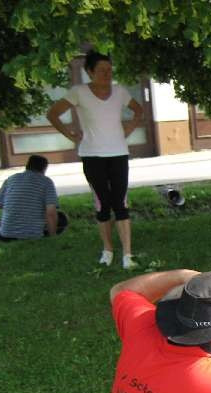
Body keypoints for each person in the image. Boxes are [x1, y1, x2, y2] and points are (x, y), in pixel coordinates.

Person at [47, 50, 143, 268]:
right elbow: (53, 114)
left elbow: (138, 111)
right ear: (90, 72)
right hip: (92, 155)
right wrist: (70, 134)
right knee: (102, 205)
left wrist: (128, 129)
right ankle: (107, 251)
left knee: (121, 203)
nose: (107, 74)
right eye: (101, 70)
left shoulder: (119, 91)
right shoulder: (79, 92)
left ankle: (127, 255)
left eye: (109, 70)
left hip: (118, 154)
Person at [0, 155, 67, 241]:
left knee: (0, 223)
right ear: (44, 168)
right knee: (62, 217)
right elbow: (51, 212)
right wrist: (53, 236)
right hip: (32, 235)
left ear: (27, 165)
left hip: (5, 236)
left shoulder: (11, 179)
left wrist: (15, 203)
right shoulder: (46, 182)